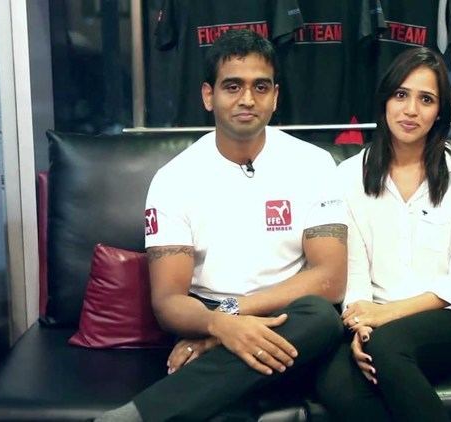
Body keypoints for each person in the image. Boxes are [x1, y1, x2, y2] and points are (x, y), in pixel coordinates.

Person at [98, 29, 347, 422]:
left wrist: (222, 329)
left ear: (275, 96)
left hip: (287, 320)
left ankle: (141, 415)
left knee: (321, 316)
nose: (247, 99)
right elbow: (167, 303)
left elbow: (331, 279)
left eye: (260, 87)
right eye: (233, 86)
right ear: (208, 96)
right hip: (209, 315)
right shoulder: (173, 179)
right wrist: (216, 322)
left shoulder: (314, 165)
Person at [315, 47, 451, 422]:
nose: (411, 110)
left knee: (389, 346)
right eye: (401, 95)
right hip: (374, 319)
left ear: (440, 111)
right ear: (385, 101)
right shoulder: (347, 177)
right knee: (332, 379)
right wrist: (361, 325)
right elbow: (354, 274)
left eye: (426, 99)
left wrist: (384, 317)